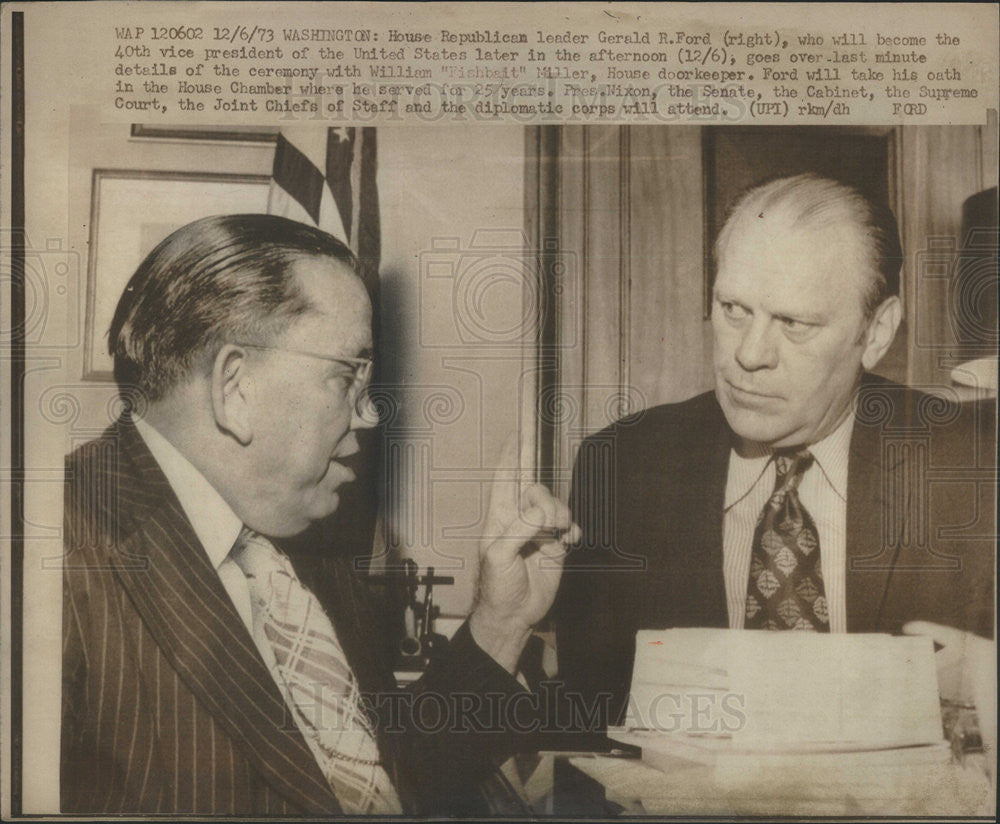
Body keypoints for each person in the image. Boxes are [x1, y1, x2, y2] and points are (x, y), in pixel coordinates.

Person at [61, 214, 580, 815]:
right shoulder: (45, 555)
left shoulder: (307, 537)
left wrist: (501, 621)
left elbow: (400, 775)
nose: (370, 414)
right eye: (346, 375)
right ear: (235, 386)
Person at [555, 174, 996, 734]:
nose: (748, 354)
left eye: (794, 323)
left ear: (878, 331)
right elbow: (583, 735)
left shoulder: (974, 466)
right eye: (734, 308)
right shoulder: (623, 467)